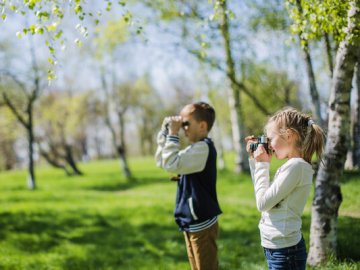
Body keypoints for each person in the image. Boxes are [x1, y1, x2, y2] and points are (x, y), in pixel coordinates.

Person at [245, 107, 325, 270]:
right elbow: (263, 194)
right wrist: (255, 161)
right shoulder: (293, 166)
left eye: (270, 139)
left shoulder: (296, 167)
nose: (269, 144)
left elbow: (262, 203)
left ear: (289, 135)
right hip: (278, 249)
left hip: (285, 252)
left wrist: (262, 164)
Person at [155, 101, 222, 270]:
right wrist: (165, 132)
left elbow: (171, 163)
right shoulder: (194, 150)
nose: (183, 128)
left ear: (202, 126)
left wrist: (173, 134)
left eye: (186, 124)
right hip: (191, 221)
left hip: (202, 223)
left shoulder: (203, 149)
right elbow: (163, 161)